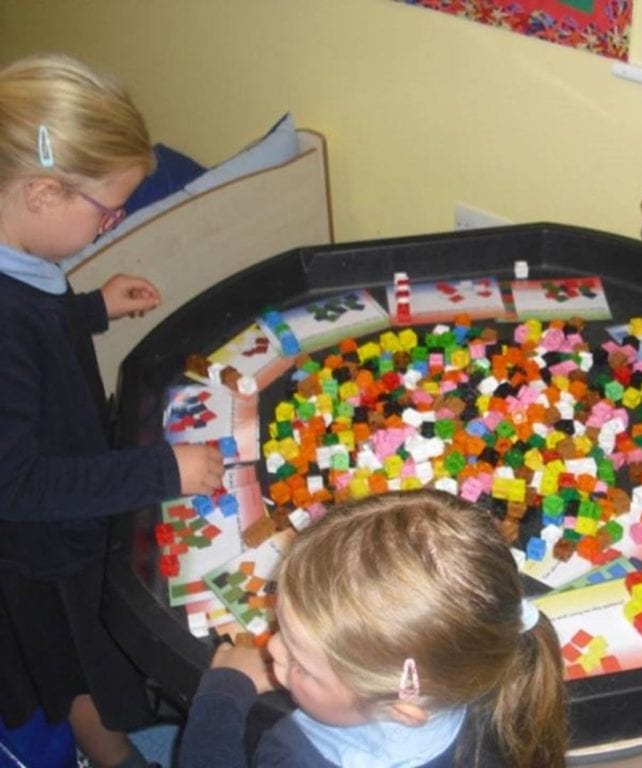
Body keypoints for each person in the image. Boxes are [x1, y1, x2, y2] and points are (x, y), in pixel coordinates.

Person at [0, 53, 225, 768]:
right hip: (42, 545)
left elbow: (36, 330)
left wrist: (90, 309)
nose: (114, 224)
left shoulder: (21, 257)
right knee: (78, 666)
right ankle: (113, 757)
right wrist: (162, 469)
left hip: (62, 498)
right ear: (44, 194)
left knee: (85, 656)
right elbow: (16, 483)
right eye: (109, 211)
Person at [180, 489, 568, 768]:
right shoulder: (489, 682)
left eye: (301, 664)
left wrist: (223, 691)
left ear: (401, 709)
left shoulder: (291, 757)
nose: (273, 649)